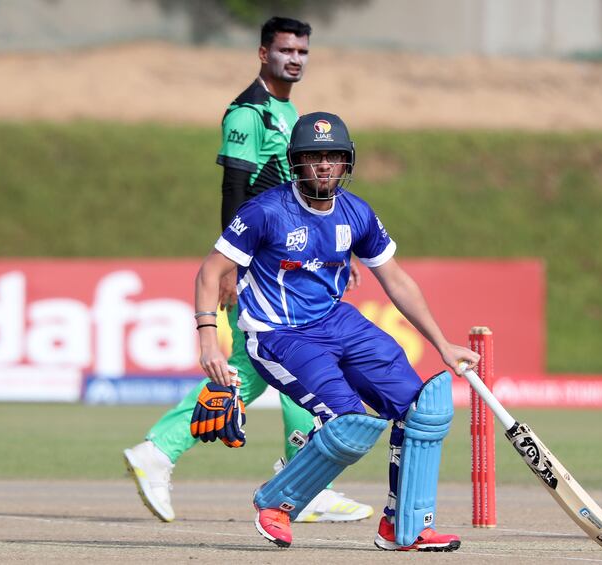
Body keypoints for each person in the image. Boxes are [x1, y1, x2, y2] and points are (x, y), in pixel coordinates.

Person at [194, 111, 480, 551]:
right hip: (278, 334)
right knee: (349, 423)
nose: (323, 166)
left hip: (336, 321)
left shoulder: (356, 212)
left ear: (347, 163)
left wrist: (441, 343)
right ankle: (276, 501)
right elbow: (210, 272)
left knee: (422, 409)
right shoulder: (265, 211)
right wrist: (209, 339)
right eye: (313, 157)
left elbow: (396, 280)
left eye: (333, 157)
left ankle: (405, 527)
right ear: (296, 163)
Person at [123, 17, 367, 525]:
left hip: (287, 260)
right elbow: (235, 189)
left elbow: (301, 194)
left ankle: (294, 477)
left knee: (271, 365)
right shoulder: (247, 113)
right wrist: (232, 266)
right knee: (285, 360)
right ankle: (294, 477)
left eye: (302, 50)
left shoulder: (285, 107)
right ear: (263, 53)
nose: (295, 58)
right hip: (260, 261)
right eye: (285, 50)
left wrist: (332, 248)